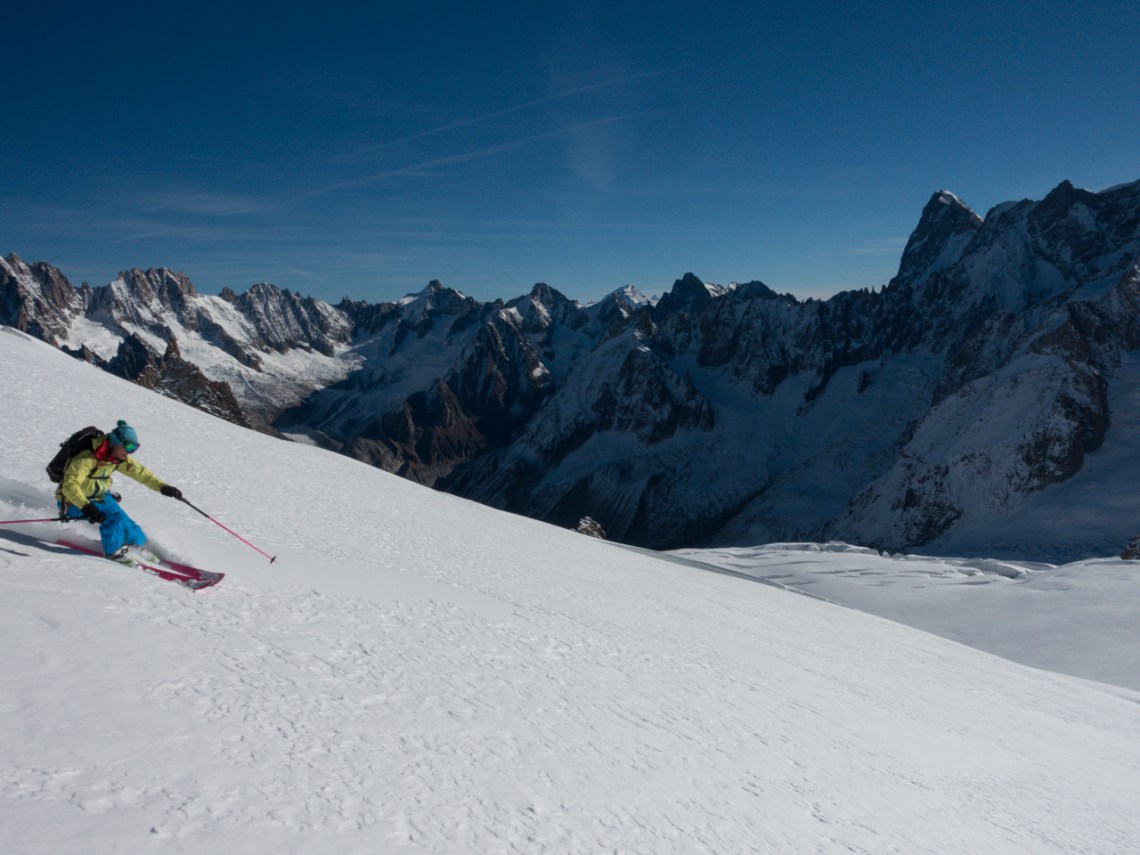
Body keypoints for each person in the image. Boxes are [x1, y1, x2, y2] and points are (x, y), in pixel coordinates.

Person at [56, 419, 183, 561]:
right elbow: (69, 485)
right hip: (74, 501)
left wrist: (162, 487)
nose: (129, 453)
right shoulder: (86, 458)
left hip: (100, 497)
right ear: (116, 442)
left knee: (132, 530)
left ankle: (140, 550)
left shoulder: (116, 457)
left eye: (134, 449)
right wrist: (87, 507)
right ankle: (115, 554)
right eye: (128, 447)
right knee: (113, 520)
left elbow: (141, 473)